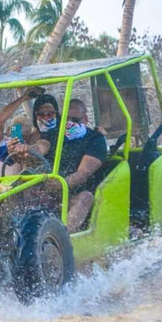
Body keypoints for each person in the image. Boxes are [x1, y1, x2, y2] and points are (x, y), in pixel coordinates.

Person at [55, 99, 108, 232]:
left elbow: (82, 174)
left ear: (85, 119)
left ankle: (63, 238)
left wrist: (58, 185)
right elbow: (40, 146)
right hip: (52, 194)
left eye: (74, 119)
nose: (69, 123)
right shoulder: (55, 136)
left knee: (85, 197)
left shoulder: (95, 139)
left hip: (76, 194)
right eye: (65, 119)